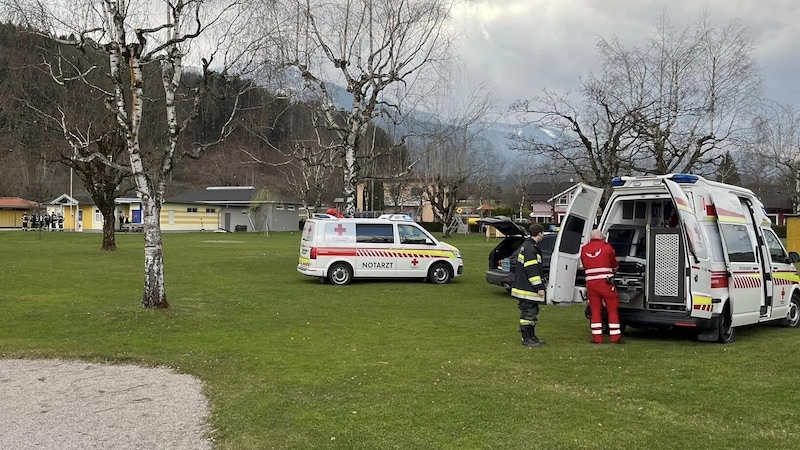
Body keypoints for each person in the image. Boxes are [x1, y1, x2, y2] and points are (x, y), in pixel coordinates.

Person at [581, 229, 623, 344]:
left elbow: (585, 265)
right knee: (612, 309)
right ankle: (615, 337)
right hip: (606, 283)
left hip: (591, 284)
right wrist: (615, 269)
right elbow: (614, 264)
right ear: (600, 236)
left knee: (595, 310)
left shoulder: (584, 249)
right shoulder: (607, 247)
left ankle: (597, 338)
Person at [511, 223, 547, 348]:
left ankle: (531, 337)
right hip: (527, 288)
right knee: (528, 314)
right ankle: (527, 338)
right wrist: (539, 287)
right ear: (540, 233)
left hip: (524, 286)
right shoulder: (531, 249)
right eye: (543, 233)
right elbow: (532, 270)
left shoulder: (528, 246)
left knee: (531, 313)